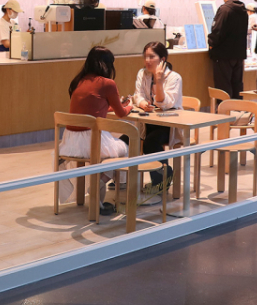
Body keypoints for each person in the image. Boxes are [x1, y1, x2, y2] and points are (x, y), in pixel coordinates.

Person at [62, 46, 133, 216]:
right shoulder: (107, 83)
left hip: (70, 143)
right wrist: (130, 105)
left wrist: (113, 106)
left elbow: (93, 107)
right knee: (125, 149)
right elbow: (121, 114)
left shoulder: (79, 81)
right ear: (107, 64)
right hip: (90, 140)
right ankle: (101, 183)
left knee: (113, 149)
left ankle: (97, 188)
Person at [132, 41, 184, 193]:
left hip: (168, 124)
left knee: (150, 142)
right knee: (127, 139)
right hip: (147, 122)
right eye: (145, 57)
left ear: (162, 59)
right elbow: (138, 95)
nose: (147, 60)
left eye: (151, 57)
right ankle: (122, 179)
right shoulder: (143, 73)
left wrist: (159, 81)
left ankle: (161, 181)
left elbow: (165, 104)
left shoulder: (174, 77)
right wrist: (143, 104)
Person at [207, 0, 248, 98]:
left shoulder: (224, 9)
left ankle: (224, 109)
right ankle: (237, 108)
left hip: (224, 55)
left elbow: (217, 30)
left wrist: (211, 44)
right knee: (237, 85)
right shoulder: (243, 10)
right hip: (239, 54)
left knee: (223, 87)